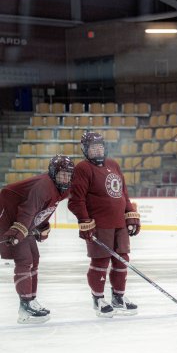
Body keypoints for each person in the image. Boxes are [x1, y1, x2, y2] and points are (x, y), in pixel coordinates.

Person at [68, 132, 141, 317]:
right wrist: (85, 221)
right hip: (99, 224)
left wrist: (130, 214)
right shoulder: (83, 169)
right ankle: (98, 298)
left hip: (119, 224)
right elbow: (76, 200)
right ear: (85, 150)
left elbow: (123, 193)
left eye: (100, 146)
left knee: (122, 260)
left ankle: (118, 297)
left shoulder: (113, 165)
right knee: (100, 261)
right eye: (93, 147)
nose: (97, 149)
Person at [0, 155, 74, 323]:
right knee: (24, 259)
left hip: (22, 219)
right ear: (53, 172)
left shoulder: (62, 188)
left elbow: (46, 207)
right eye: (62, 174)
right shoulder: (44, 186)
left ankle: (31, 300)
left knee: (35, 257)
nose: (65, 178)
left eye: (68, 175)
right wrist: (18, 230)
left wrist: (41, 225)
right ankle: (24, 306)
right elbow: (28, 209)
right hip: (10, 215)